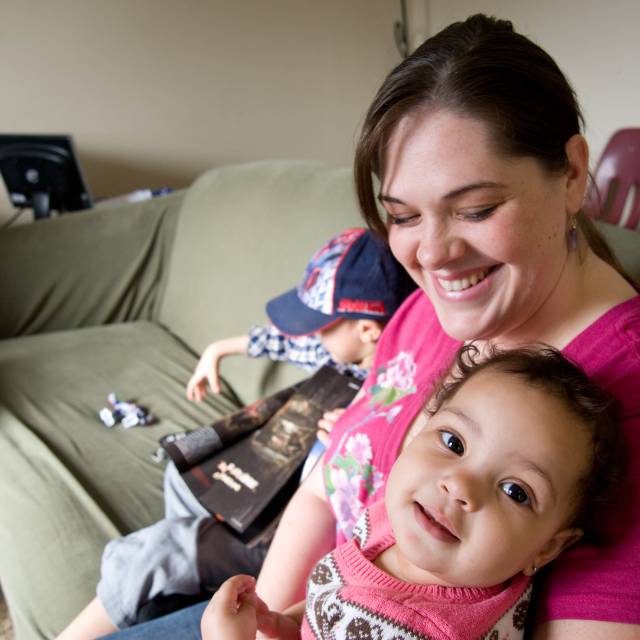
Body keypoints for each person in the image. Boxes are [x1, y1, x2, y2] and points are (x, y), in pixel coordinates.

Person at [93, 13, 640, 640]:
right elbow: (332, 486)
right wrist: (268, 624)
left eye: (477, 209)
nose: (431, 257)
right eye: (404, 216)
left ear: (572, 173)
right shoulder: (435, 309)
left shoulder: (625, 402)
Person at [57, 227, 415, 640]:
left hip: (282, 538)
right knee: (182, 475)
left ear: (369, 330)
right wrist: (218, 350)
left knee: (158, 551)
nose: (314, 337)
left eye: (322, 327)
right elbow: (286, 343)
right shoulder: (347, 352)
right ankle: (193, 574)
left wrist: (352, 440)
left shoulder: (392, 394)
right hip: (261, 495)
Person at [203, 345, 625, 639]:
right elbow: (332, 612)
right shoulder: (404, 523)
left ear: (548, 549)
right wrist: (284, 626)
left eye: (515, 491)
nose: (459, 484)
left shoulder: (418, 629)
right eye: (454, 443)